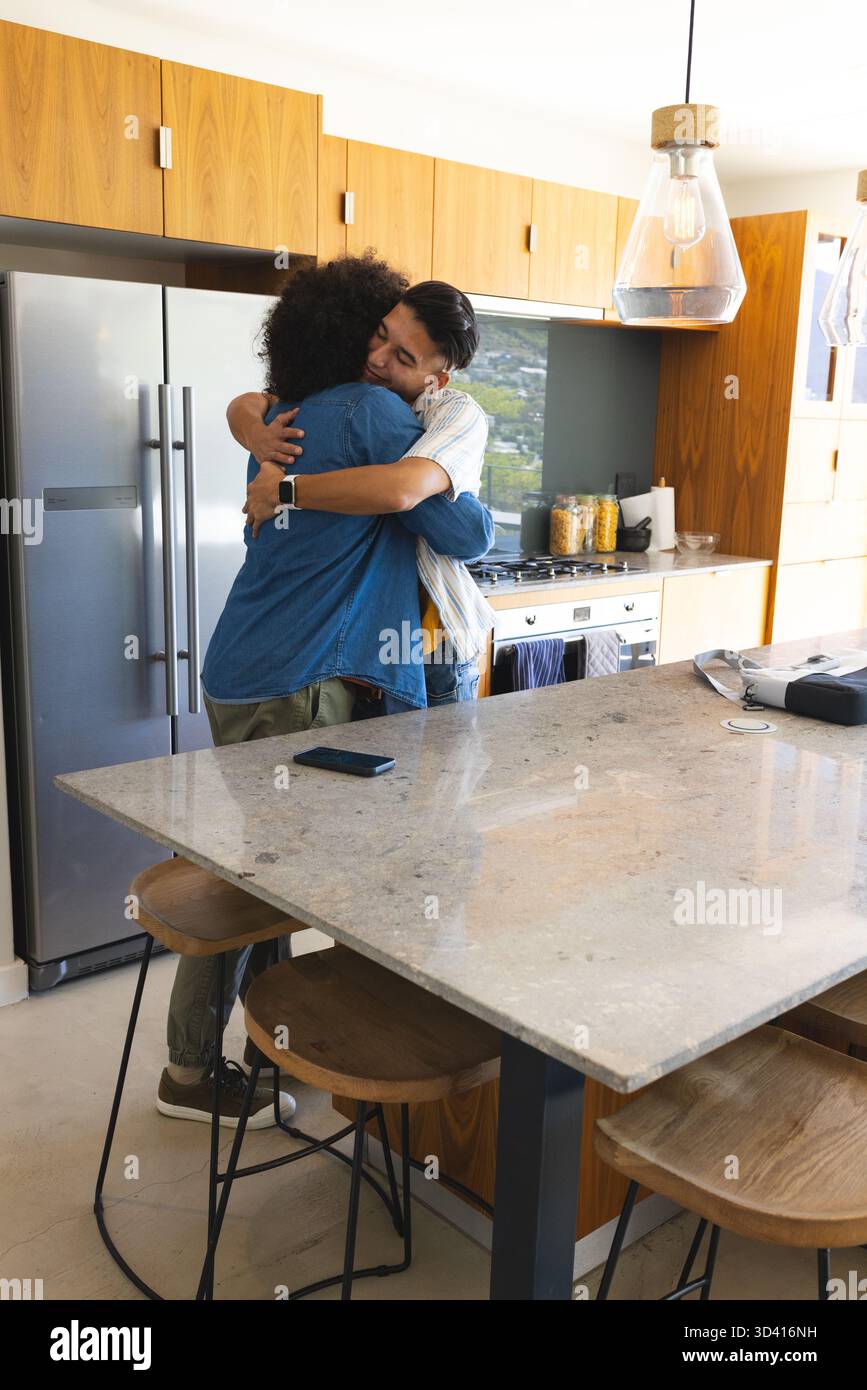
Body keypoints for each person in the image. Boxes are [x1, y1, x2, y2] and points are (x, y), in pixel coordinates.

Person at [158, 254, 494, 1130]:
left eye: (399, 345)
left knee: (263, 868)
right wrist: (482, 512)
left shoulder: (281, 414)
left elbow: (248, 419)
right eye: (379, 337)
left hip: (241, 667)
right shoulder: (378, 415)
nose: (384, 354)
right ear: (356, 338)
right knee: (268, 876)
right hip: (301, 679)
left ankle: (259, 1051)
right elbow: (459, 529)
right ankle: (194, 1072)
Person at [227, 280, 496, 712]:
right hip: (372, 655)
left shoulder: (455, 413)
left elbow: (405, 491)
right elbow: (248, 401)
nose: (376, 357)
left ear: (436, 379)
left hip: (432, 642)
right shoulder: (338, 401)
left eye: (403, 358)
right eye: (381, 334)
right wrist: (258, 436)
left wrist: (283, 489)